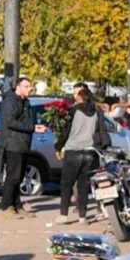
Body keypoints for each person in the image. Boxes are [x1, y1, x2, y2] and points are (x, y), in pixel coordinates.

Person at [54, 87, 109, 224]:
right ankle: (83, 216)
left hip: (73, 151)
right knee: (83, 185)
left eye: (76, 95)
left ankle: (63, 214)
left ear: (80, 97)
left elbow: (66, 131)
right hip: (89, 151)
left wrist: (58, 146)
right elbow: (102, 130)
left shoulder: (74, 110)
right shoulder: (96, 110)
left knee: (67, 183)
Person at [0, 76, 47, 219]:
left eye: (30, 86)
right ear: (17, 87)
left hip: (23, 144)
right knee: (13, 177)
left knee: (19, 177)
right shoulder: (10, 101)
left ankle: (17, 205)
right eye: (26, 86)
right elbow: (10, 122)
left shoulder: (26, 102)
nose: (29, 89)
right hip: (13, 144)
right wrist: (32, 128)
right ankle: (6, 206)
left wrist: (34, 127)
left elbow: (27, 119)